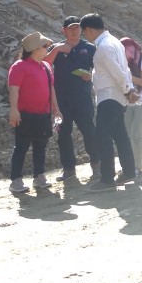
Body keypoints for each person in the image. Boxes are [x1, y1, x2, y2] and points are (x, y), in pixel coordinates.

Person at [80, 13, 137, 191]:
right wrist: (127, 89)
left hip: (110, 96)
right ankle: (128, 171)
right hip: (117, 96)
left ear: (89, 29)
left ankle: (107, 178)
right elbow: (123, 70)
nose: (85, 36)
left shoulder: (104, 46)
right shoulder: (114, 42)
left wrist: (128, 90)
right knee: (120, 135)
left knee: (102, 137)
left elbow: (117, 71)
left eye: (84, 32)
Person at [44, 16, 98, 183]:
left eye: (77, 27)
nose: (74, 30)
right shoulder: (56, 47)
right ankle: (69, 170)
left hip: (83, 98)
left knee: (89, 132)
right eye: (70, 27)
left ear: (81, 29)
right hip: (61, 101)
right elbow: (44, 66)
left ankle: (97, 165)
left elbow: (100, 70)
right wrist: (56, 50)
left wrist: (90, 76)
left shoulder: (90, 48)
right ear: (64, 30)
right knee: (63, 135)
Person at [8, 32, 61, 194]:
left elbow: (51, 89)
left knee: (41, 146)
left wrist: (56, 109)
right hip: (25, 114)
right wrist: (14, 110)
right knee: (21, 147)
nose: (47, 49)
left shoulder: (46, 67)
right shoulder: (19, 66)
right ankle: (16, 180)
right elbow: (14, 90)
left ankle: (39, 176)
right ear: (35, 49)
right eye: (45, 46)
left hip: (43, 114)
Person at [120, 36, 142, 183]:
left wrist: (126, 75)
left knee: (136, 135)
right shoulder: (122, 62)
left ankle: (138, 167)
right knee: (126, 136)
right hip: (128, 102)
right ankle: (129, 166)